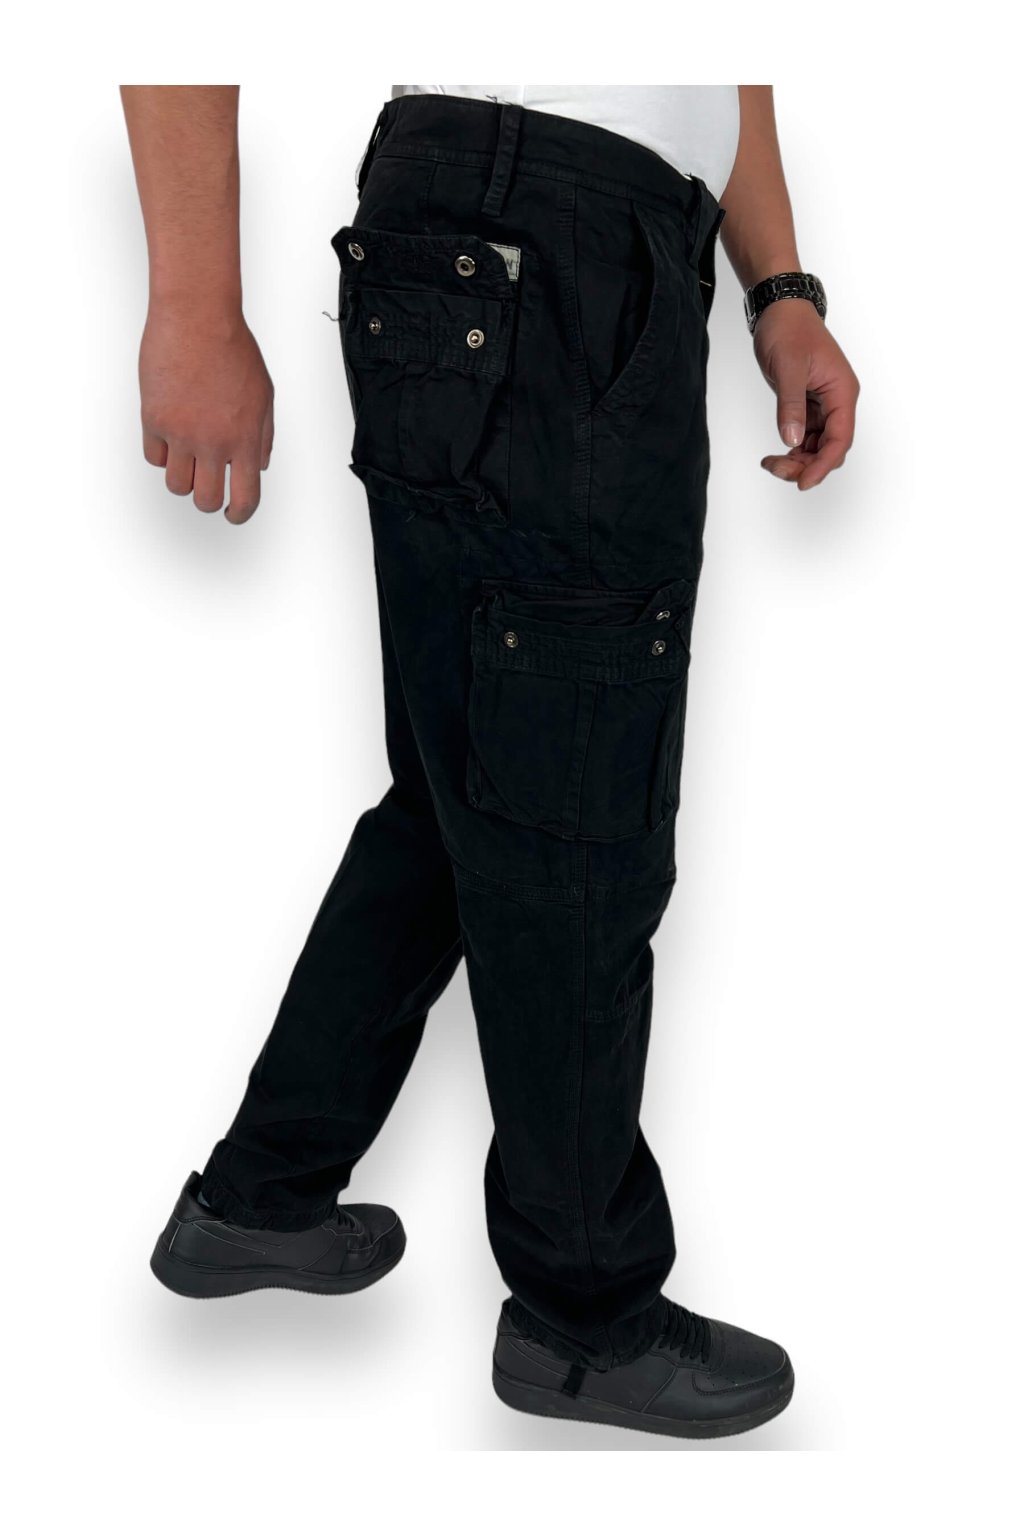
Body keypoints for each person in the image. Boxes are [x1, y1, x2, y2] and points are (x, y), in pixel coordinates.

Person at [122, 84, 858, 1442]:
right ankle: (584, 1320)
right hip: (548, 234)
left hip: (572, 238)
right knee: (570, 812)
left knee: (467, 791)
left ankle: (261, 1197)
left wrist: (780, 289)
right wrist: (193, 305)